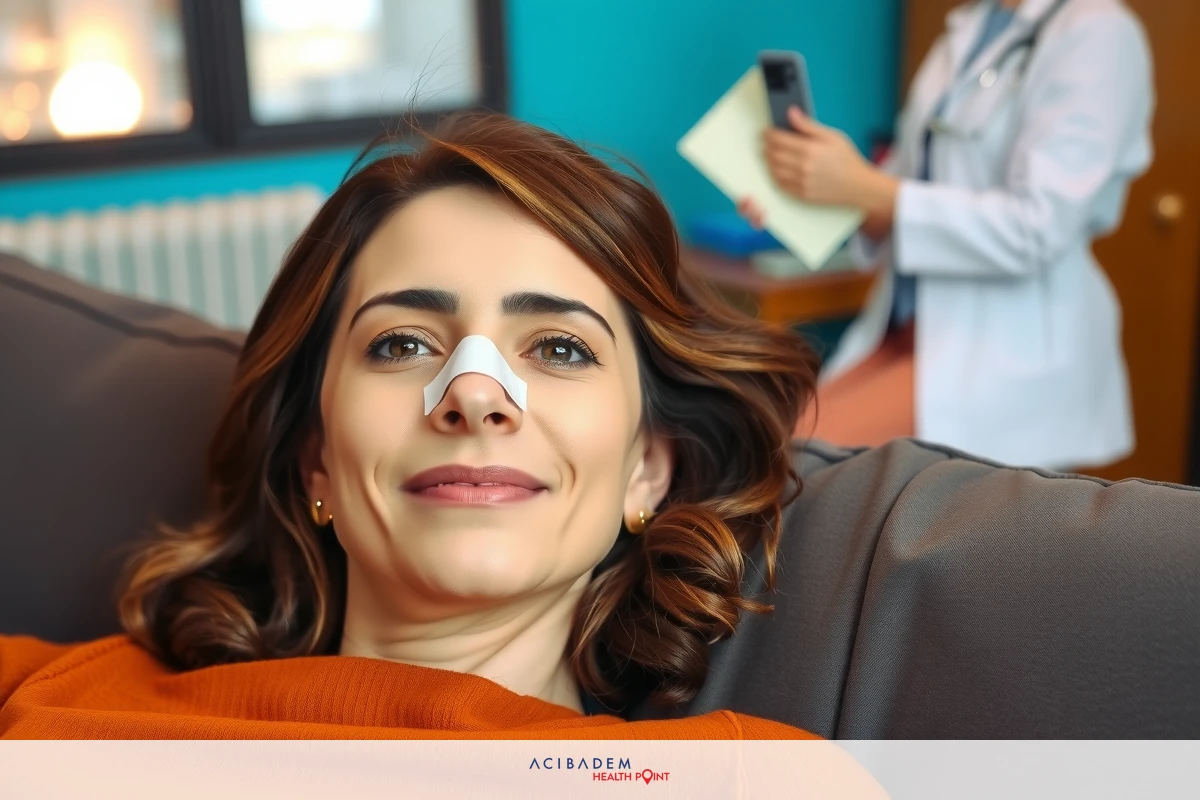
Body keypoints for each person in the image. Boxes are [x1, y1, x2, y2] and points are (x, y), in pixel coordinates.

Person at [0, 112, 826, 740]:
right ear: (314, 458)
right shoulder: (51, 697)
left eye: (560, 348)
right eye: (401, 343)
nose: (472, 394)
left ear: (649, 466)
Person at [739, 0, 1154, 470]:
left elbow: (1037, 227)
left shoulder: (1098, 32)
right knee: (764, 444)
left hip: (1005, 350)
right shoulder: (968, 29)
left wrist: (862, 184)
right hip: (906, 333)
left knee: (788, 469)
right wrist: (807, 195)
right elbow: (892, 200)